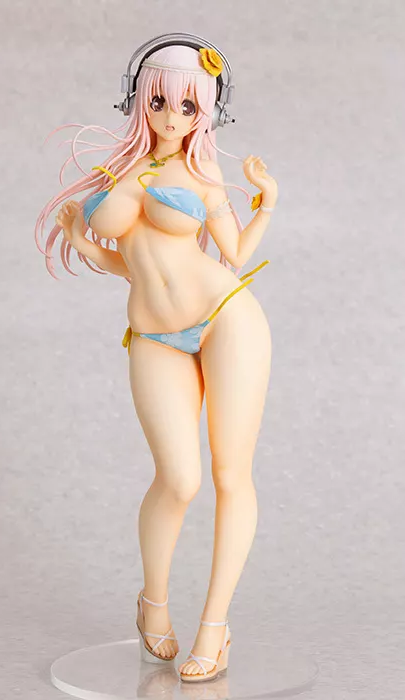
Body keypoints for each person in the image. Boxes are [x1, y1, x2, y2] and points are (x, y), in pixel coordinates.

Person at [35, 37, 277, 683]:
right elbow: (127, 263)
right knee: (178, 479)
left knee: (230, 474)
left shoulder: (203, 175)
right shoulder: (118, 172)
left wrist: (268, 201)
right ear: (138, 100)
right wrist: (77, 236)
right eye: (161, 103)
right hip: (153, 335)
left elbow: (233, 253)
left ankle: (215, 627)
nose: (173, 118)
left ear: (208, 112)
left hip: (226, 317)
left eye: (189, 107)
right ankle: (154, 606)